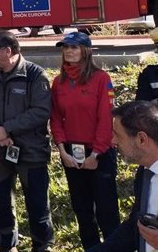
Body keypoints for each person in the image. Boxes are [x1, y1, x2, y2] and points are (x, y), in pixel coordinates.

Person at [0, 30, 54, 252]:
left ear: (7, 51)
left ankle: (42, 245)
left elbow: (41, 111)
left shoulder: (35, 75)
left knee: (37, 203)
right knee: (1, 201)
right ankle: (7, 244)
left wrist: (7, 129)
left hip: (31, 151)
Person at [50, 32, 119, 249]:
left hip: (99, 153)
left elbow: (106, 118)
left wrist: (96, 153)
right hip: (71, 153)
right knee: (82, 211)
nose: (69, 51)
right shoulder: (58, 82)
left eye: (74, 47)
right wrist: (62, 150)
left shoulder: (101, 79)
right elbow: (55, 118)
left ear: (85, 51)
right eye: (66, 47)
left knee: (107, 212)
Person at [88, 101, 158, 252]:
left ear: (141, 139)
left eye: (118, 135)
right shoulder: (145, 173)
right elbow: (134, 228)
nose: (112, 141)